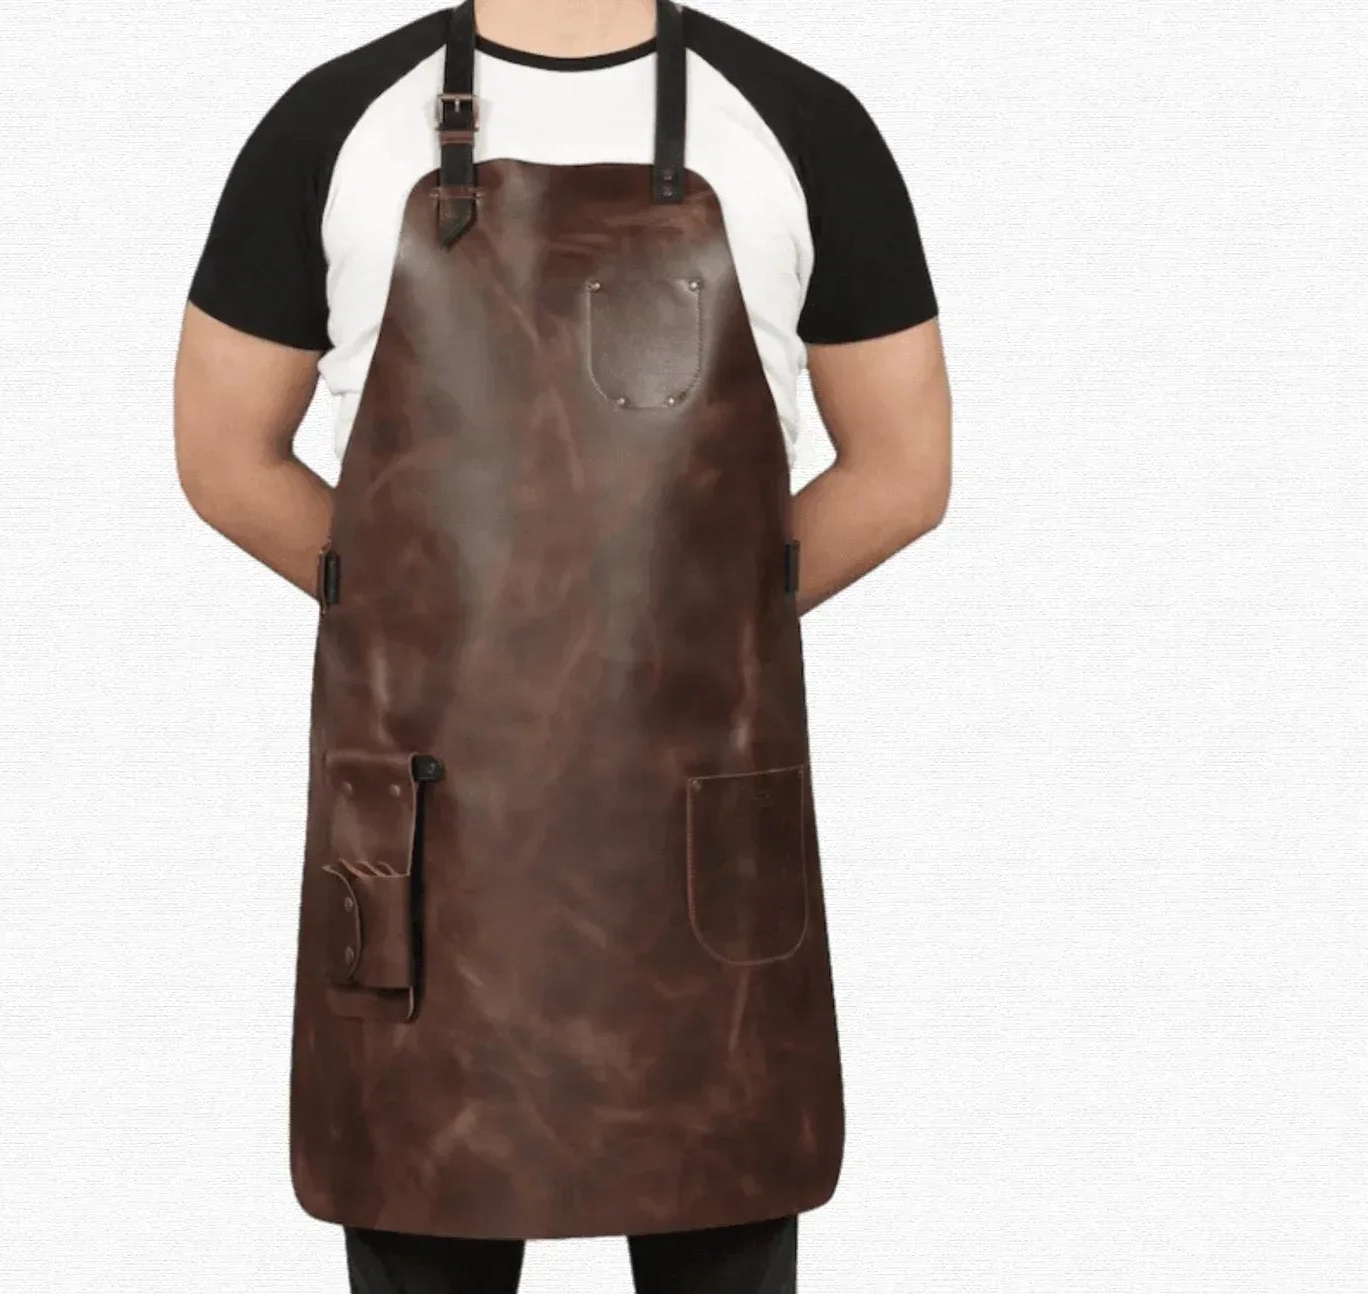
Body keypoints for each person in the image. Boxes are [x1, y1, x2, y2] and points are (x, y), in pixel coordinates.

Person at [174, 1, 951, 1289]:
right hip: (435, 834)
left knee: (720, 1212)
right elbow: (221, 455)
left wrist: (682, 628)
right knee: (424, 1218)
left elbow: (905, 472)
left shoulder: (806, 125)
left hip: (694, 827)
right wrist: (431, 619)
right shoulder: (328, 124)